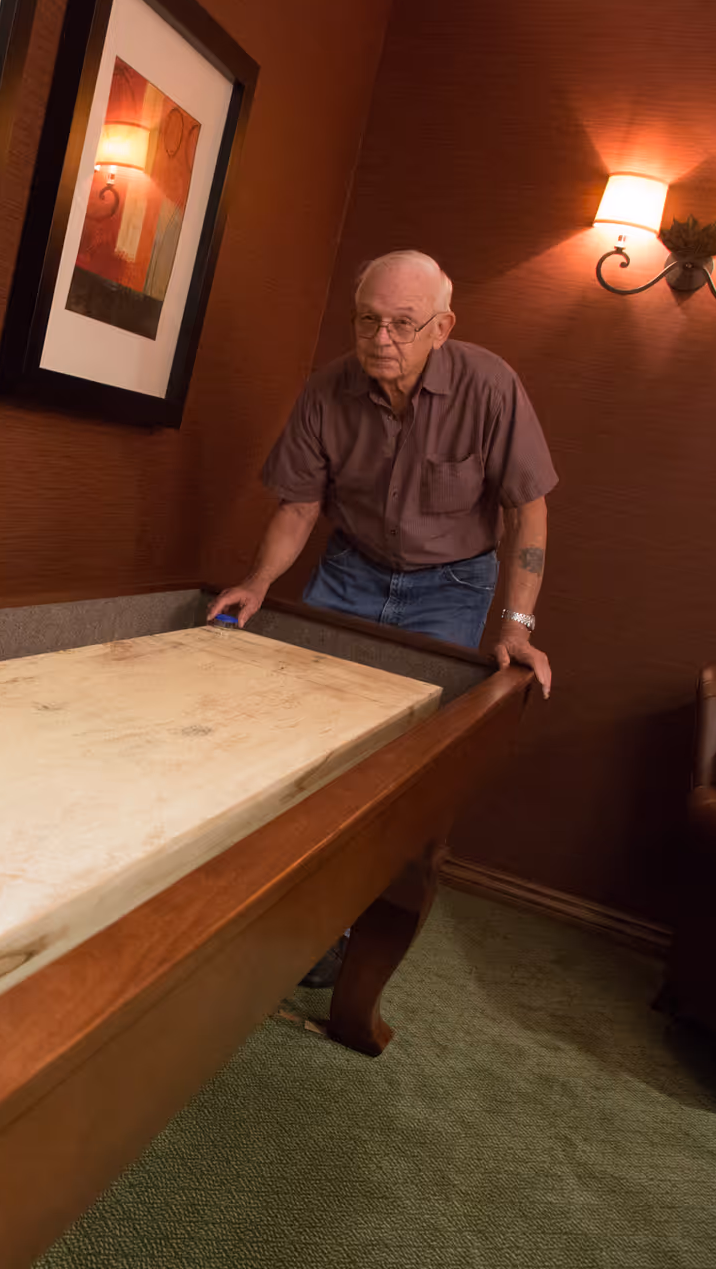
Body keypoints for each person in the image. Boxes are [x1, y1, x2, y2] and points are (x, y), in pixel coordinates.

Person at [206, 249, 557, 988]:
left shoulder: (490, 385)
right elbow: (299, 505)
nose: (381, 338)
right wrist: (258, 582)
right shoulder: (328, 390)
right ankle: (277, 906)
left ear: (442, 326)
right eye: (369, 319)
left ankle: (344, 920)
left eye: (403, 323)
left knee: (398, 762)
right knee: (303, 739)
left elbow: (529, 509)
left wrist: (516, 625)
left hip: (453, 586)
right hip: (352, 570)